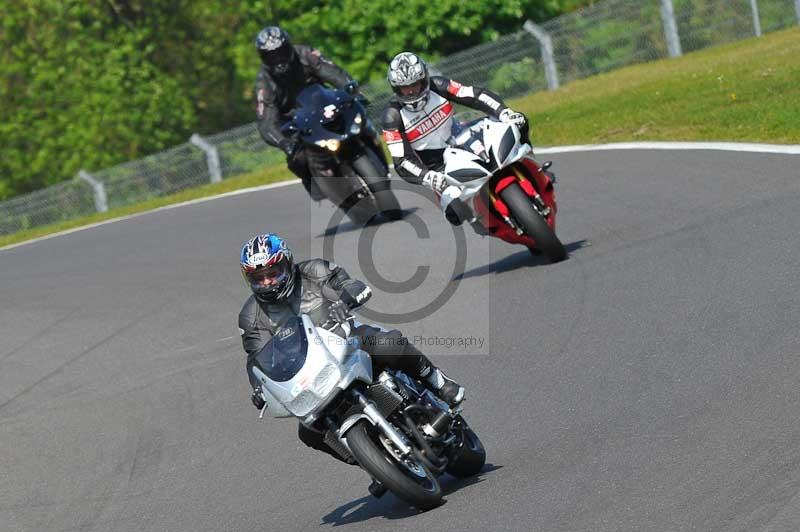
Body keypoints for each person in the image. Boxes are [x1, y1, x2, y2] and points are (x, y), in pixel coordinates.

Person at [238, 232, 465, 463]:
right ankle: (370, 461)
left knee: (387, 344)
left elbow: (348, 284)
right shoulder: (251, 316)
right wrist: (259, 388)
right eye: (259, 278)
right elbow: (256, 357)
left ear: (287, 264)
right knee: (309, 432)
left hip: (345, 338)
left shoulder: (314, 271)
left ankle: (438, 381)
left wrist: (346, 300)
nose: (267, 282)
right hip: (309, 369)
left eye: (272, 273)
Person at [381, 51, 530, 196]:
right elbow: (401, 160)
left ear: (424, 79)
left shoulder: (439, 85)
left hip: (462, 137)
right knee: (455, 212)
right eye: (405, 88)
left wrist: (504, 112)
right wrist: (427, 177)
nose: (411, 91)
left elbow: (475, 96)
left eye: (415, 84)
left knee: (519, 121)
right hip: (439, 168)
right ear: (396, 88)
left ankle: (529, 161)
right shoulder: (392, 117)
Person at [254, 26, 359, 201]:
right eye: (271, 56)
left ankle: (368, 142)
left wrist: (350, 90)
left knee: (353, 115)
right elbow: (266, 122)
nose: (278, 59)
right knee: (297, 157)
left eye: (280, 52)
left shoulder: (305, 53)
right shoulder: (263, 82)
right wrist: (284, 143)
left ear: (288, 47)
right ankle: (316, 184)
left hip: (323, 104)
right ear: (263, 58)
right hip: (295, 122)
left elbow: (332, 72)